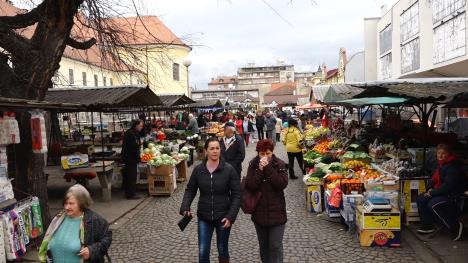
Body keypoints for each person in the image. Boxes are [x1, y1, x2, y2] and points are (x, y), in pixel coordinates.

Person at [180, 137, 241, 263]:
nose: (215, 151)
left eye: (217, 148)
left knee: (223, 250)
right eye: (211, 148)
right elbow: (190, 189)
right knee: (203, 252)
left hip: (223, 217)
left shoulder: (229, 170)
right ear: (206, 151)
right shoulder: (198, 170)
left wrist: (231, 216)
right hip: (204, 216)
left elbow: (237, 195)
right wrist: (185, 207)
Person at [39, 184, 112, 263]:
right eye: (66, 203)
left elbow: (106, 239)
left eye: (71, 204)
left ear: (82, 203)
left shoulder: (95, 220)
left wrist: (91, 250)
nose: (67, 207)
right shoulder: (58, 219)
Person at [244, 139, 288, 263]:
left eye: (267, 153)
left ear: (272, 152)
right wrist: (259, 171)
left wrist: (268, 168)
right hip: (259, 213)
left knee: (275, 246)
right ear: (258, 153)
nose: (265, 156)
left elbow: (281, 184)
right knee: (264, 247)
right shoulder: (253, 164)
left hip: (277, 213)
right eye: (262, 154)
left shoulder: (279, 164)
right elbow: (250, 185)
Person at [416, 144, 467, 241]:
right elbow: (433, 179)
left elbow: (448, 186)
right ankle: (428, 226)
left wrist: (432, 193)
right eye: (439, 153)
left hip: (453, 195)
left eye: (443, 153)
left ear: (449, 154)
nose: (440, 155)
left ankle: (455, 225)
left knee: (433, 204)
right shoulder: (441, 165)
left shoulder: (453, 167)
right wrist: (430, 188)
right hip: (441, 192)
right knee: (421, 199)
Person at [121, 119, 143, 199]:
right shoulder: (131, 134)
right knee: (131, 176)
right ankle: (130, 194)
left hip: (130, 158)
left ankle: (130, 193)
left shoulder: (132, 132)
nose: (141, 127)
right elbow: (133, 147)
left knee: (131, 176)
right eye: (140, 126)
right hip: (130, 159)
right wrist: (138, 157)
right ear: (136, 125)